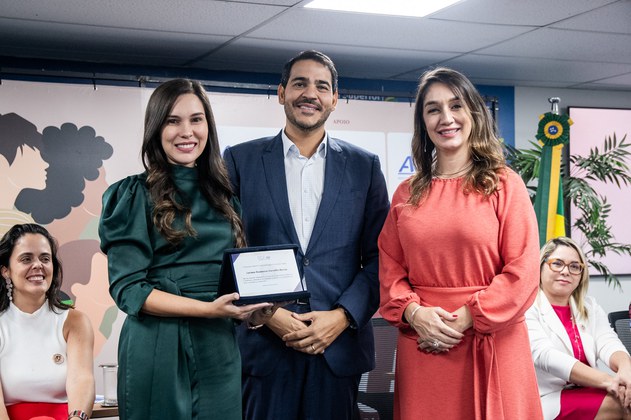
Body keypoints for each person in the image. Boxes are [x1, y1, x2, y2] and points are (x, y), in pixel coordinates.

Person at [223, 50, 390, 419]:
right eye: (299, 83)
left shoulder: (365, 167)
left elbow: (383, 257)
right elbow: (227, 249)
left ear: (335, 99)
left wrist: (342, 317)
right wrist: (268, 315)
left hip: (336, 346)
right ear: (281, 92)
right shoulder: (239, 161)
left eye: (321, 86)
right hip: (263, 346)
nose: (309, 93)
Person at [98, 79, 276, 420]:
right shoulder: (132, 195)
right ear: (155, 128)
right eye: (172, 120)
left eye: (196, 119)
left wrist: (256, 312)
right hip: (158, 346)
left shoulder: (226, 199)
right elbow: (129, 290)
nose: (187, 131)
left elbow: (229, 286)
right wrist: (209, 309)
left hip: (218, 349)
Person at [378, 67, 543, 419]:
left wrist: (467, 317)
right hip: (423, 344)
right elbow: (389, 271)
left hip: (492, 339)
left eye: (456, 106)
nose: (446, 118)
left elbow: (523, 270)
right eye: (433, 109)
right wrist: (415, 313)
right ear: (423, 121)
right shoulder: (406, 194)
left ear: (473, 114)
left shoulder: (504, 184)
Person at [526, 236, 631, 419]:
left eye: (575, 266)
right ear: (541, 266)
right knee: (620, 404)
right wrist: (609, 381)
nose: (566, 271)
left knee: (626, 397)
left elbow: (608, 342)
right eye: (557, 264)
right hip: (547, 397)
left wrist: (625, 369)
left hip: (587, 390)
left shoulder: (589, 306)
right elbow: (546, 356)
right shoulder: (527, 308)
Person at [0, 223, 95, 420]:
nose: (38, 265)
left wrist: (77, 418)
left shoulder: (75, 322)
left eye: (45, 258)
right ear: (5, 270)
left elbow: (82, 380)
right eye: (26, 259)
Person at [0, 113, 49, 236]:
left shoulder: (24, 222)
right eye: (36, 155)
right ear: (3, 161)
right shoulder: (23, 224)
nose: (46, 164)